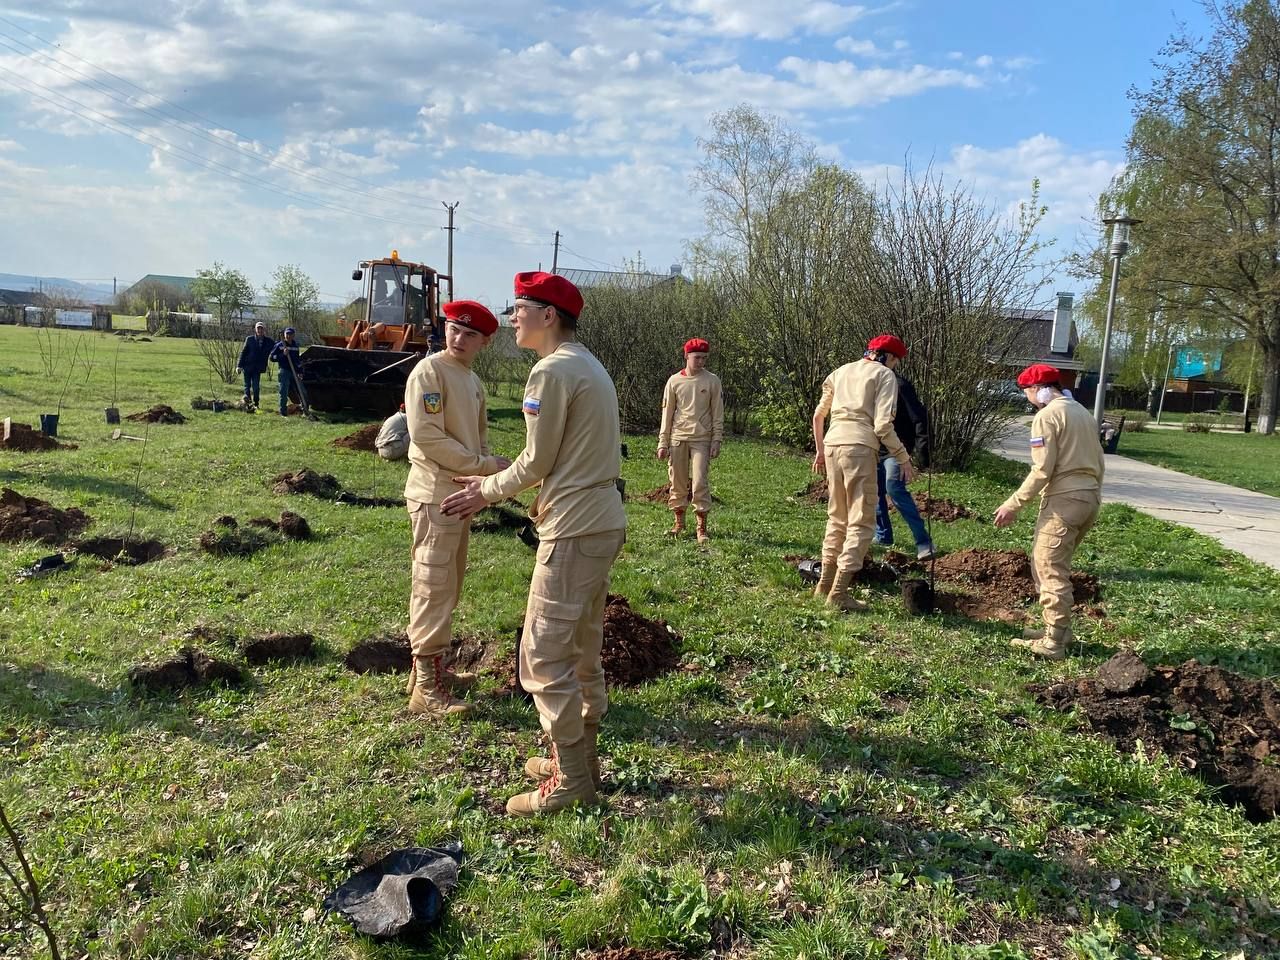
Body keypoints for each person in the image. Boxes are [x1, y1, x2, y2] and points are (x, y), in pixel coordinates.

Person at [442, 271, 625, 818]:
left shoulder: (551, 372)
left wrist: (486, 491)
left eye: (521, 307)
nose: (512, 315)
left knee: (543, 656)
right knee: (580, 647)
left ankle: (571, 779)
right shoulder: (586, 364)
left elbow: (536, 461)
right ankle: (580, 759)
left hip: (573, 528)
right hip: (599, 520)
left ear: (549, 316)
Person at [403, 301, 510, 717]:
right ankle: (426, 690)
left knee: (448, 585)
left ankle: (429, 672)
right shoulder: (430, 372)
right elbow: (427, 437)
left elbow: (478, 439)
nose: (458, 339)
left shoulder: (471, 379)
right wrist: (485, 468)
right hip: (434, 495)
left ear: (484, 341)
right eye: (453, 329)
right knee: (433, 585)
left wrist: (484, 478)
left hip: (459, 494)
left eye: (470, 335)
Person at [994, 363, 1105, 660]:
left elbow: (1043, 469)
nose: (1028, 399)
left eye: (1027, 392)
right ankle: (1058, 629)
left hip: (1064, 500)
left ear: (1038, 390)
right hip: (1089, 497)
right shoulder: (1082, 413)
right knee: (1051, 562)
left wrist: (1012, 504)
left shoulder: (1047, 416)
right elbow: (1099, 460)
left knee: (1049, 567)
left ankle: (1054, 642)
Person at [811, 334, 916, 612]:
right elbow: (882, 426)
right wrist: (903, 457)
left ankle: (823, 585)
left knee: (837, 517)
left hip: (833, 446)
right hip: (859, 448)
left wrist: (820, 451)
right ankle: (840, 592)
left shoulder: (840, 371)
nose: (894, 366)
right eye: (895, 361)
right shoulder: (884, 376)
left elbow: (818, 415)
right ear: (889, 357)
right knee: (861, 521)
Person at [657, 337, 724, 543]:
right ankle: (679, 522)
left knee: (700, 482)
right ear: (686, 356)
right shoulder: (674, 381)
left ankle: (701, 527)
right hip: (678, 438)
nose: (701, 362)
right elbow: (667, 413)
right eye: (697, 358)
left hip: (702, 439)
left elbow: (717, 412)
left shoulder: (712, 380)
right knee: (677, 482)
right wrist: (663, 442)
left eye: (704, 358)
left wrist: (717, 439)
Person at [873, 367, 935, 559]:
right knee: (874, 492)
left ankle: (924, 542)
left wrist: (922, 452)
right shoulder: (868, 384)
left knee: (894, 488)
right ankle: (883, 535)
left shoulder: (900, 386)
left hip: (896, 450)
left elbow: (919, 418)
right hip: (872, 449)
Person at [236, 322, 274, 409]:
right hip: (247, 366)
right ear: (255, 329)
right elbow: (243, 353)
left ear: (264, 330)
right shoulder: (249, 339)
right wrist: (239, 365)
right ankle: (248, 404)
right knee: (247, 386)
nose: (260, 330)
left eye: (261, 328)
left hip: (257, 368)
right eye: (258, 328)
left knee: (256, 387)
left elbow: (277, 347)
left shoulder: (268, 342)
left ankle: (256, 403)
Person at [269, 327, 302, 416]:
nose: (288, 336)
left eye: (290, 334)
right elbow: (272, 357)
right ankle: (283, 411)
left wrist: (300, 372)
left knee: (301, 390)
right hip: (284, 371)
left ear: (293, 335)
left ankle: (303, 408)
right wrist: (283, 355)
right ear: (284, 335)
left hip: (294, 372)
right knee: (283, 391)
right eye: (287, 334)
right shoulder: (280, 345)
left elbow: (297, 361)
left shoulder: (295, 346)